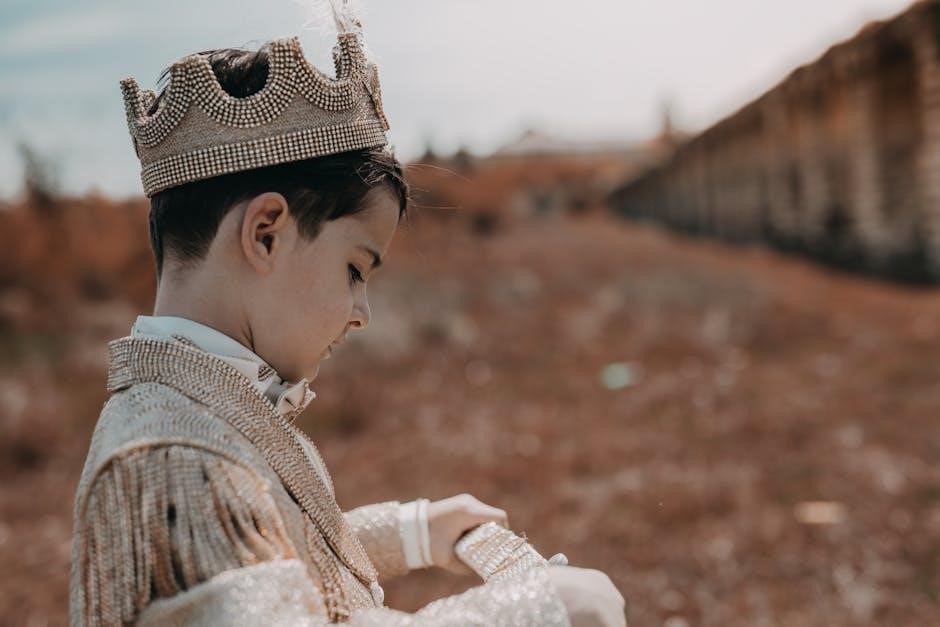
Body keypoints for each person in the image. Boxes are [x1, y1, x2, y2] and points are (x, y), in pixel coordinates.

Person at [69, 2, 625, 625]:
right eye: (355, 270)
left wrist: (414, 531)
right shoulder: (178, 461)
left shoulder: (196, 410)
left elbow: (269, 550)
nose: (362, 314)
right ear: (266, 234)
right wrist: (539, 610)